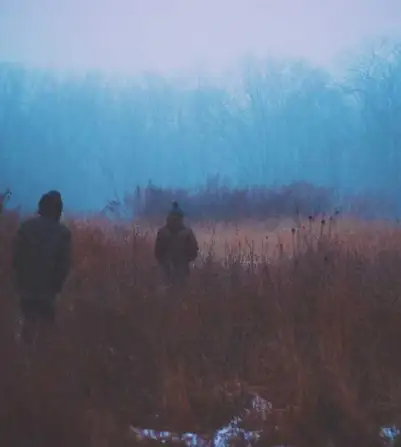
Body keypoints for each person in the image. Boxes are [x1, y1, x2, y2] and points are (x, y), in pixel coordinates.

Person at [12, 190, 72, 345]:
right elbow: (63, 266)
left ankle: (24, 355)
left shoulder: (25, 227)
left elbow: (17, 259)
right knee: (46, 332)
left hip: (26, 289)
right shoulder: (63, 233)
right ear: (58, 209)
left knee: (28, 325)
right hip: (48, 292)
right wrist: (56, 287)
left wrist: (20, 282)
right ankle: (40, 357)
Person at [154, 201, 198, 286]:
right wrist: (185, 261)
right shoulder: (187, 233)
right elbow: (193, 252)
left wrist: (163, 261)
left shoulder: (162, 232)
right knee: (181, 291)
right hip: (182, 270)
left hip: (166, 270)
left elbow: (157, 252)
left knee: (166, 289)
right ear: (181, 217)